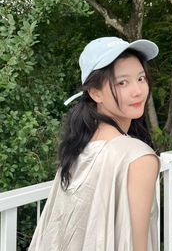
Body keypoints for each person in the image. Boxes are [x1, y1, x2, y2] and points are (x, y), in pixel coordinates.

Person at [28, 36, 161, 251]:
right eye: (122, 82)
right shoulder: (139, 158)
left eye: (141, 78)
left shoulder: (78, 148)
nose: (138, 91)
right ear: (95, 92)